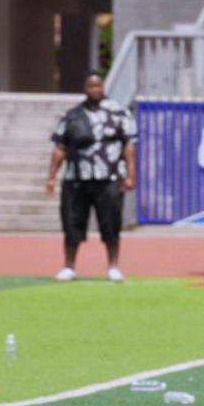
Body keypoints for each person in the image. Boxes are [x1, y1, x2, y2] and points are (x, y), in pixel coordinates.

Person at [46, 71, 137, 282]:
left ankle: (113, 266)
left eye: (98, 86)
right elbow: (60, 147)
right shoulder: (72, 116)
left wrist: (130, 174)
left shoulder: (118, 113)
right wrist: (51, 176)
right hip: (77, 177)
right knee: (72, 221)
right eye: (91, 86)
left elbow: (129, 146)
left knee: (111, 220)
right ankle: (69, 266)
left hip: (110, 176)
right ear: (85, 88)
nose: (95, 90)